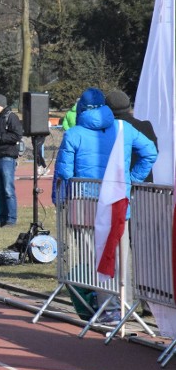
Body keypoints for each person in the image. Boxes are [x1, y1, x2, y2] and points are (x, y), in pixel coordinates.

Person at [53, 87, 157, 324]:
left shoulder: (74, 134)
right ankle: (124, 304)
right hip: (117, 202)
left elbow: (64, 173)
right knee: (121, 253)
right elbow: (150, 152)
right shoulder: (124, 128)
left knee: (95, 255)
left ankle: (109, 309)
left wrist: (59, 199)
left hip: (85, 202)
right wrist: (133, 179)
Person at [0, 94, 23, 227]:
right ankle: (1, 218)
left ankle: (11, 219)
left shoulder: (11, 117)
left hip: (7, 158)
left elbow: (17, 135)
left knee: (8, 190)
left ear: (2, 104)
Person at [105, 90, 158, 183]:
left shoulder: (106, 130)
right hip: (144, 187)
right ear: (129, 107)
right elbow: (153, 153)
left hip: (115, 186)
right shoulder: (145, 126)